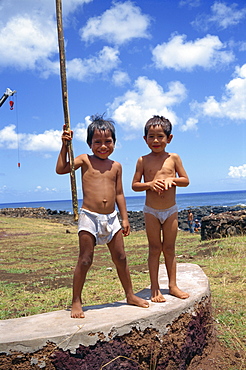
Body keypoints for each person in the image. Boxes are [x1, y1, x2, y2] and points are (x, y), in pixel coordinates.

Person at [56, 115, 149, 318]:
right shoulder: (84, 160)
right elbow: (61, 169)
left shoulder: (116, 166)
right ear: (90, 144)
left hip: (112, 218)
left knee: (121, 257)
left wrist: (125, 218)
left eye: (108, 141)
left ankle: (130, 295)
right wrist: (65, 145)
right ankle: (76, 300)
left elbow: (119, 194)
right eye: (97, 142)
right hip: (89, 216)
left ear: (114, 143)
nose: (103, 146)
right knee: (85, 259)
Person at [132, 115, 190, 303]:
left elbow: (186, 180)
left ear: (169, 138)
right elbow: (134, 185)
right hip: (151, 211)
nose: (155, 141)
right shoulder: (142, 160)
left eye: (160, 136)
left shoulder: (173, 158)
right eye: (151, 136)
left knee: (170, 248)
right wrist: (150, 184)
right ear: (145, 139)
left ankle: (173, 285)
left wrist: (171, 179)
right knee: (155, 248)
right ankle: (154, 287)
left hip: (170, 210)